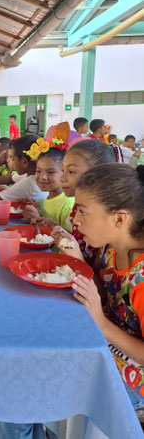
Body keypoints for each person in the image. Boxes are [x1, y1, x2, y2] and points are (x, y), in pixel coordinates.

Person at [70, 164, 144, 414]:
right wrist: (79, 262)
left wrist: (102, 325)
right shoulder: (110, 249)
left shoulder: (141, 280)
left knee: (60, 391)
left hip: (135, 375)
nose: (75, 220)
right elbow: (108, 293)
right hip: (105, 346)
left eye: (82, 212)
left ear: (119, 218)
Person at [51, 139, 116, 266]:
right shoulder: (78, 206)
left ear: (96, 177)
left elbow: (97, 275)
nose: (61, 177)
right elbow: (81, 241)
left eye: (71, 172)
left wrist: (76, 257)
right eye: (62, 170)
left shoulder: (103, 219)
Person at [0, 135, 48, 208]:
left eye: (13, 158)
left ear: (24, 162)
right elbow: (9, 179)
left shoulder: (29, 183)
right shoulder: (31, 175)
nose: (9, 160)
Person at [22, 144, 74, 231]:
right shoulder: (48, 195)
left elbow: (73, 240)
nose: (43, 177)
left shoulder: (68, 204)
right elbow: (44, 220)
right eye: (38, 171)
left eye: (50, 172)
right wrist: (34, 213)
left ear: (65, 174)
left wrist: (50, 225)